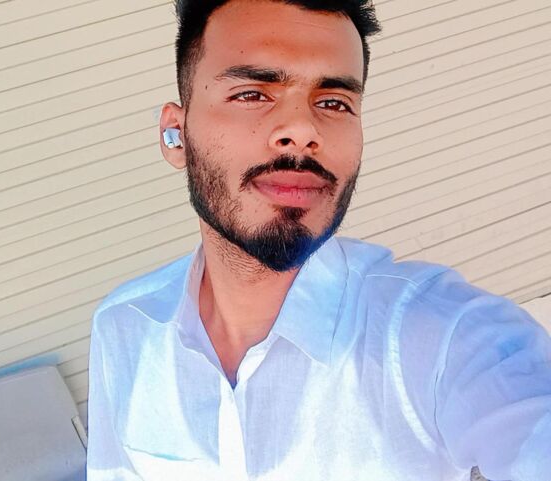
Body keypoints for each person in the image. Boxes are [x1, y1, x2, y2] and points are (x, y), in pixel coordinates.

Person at [86, 1, 551, 480]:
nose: (303, 131)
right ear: (176, 133)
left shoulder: (446, 338)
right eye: (252, 94)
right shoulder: (125, 326)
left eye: (334, 103)